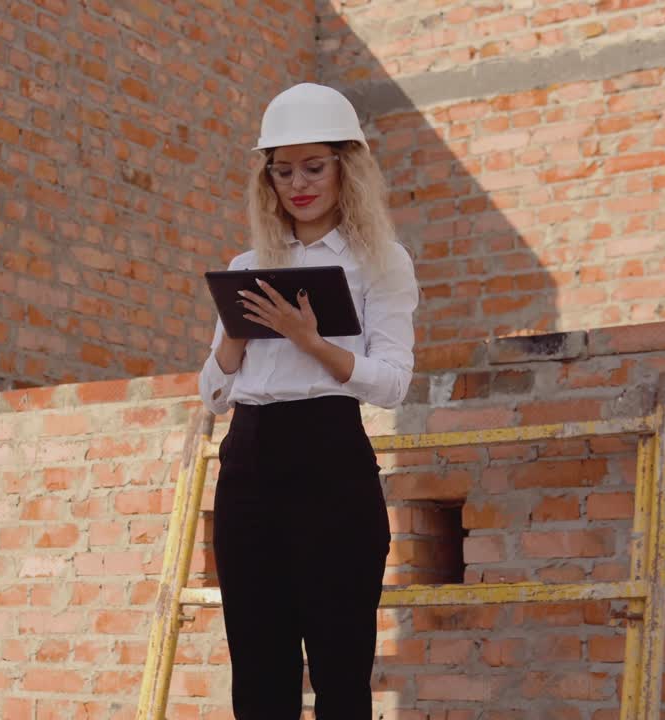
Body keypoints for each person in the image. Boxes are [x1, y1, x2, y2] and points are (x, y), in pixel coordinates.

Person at [198, 82, 419, 719]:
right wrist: (237, 337)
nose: (298, 183)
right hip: (248, 465)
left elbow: (393, 382)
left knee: (340, 669)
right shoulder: (247, 265)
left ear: (346, 168)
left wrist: (309, 341)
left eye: (314, 167)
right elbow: (213, 396)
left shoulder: (381, 262)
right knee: (260, 675)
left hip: (331, 460)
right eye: (283, 169)